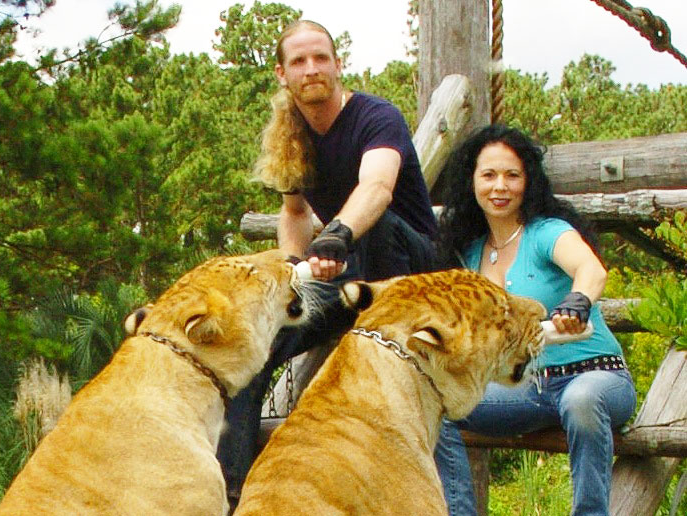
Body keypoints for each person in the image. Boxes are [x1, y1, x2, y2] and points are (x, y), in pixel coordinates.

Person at [217, 19, 438, 510]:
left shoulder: (376, 116)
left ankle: (383, 337)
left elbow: (377, 188)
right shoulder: (290, 136)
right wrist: (294, 275)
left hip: (409, 272)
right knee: (251, 346)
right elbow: (294, 214)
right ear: (282, 73)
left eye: (321, 58)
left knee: (375, 223)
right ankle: (230, 493)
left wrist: (337, 232)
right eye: (299, 61)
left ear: (339, 65)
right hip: (346, 277)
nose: (312, 68)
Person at [433, 124, 636, 516]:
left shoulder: (547, 232)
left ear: (528, 181)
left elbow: (591, 269)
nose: (500, 186)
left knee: (581, 399)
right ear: (471, 181)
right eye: (489, 175)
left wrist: (578, 301)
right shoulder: (470, 252)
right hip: (527, 388)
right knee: (439, 405)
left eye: (512, 175)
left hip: (596, 376)